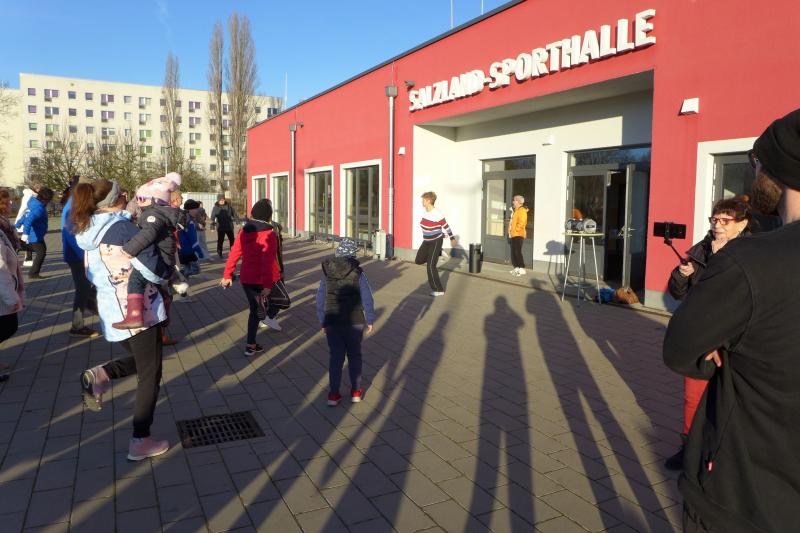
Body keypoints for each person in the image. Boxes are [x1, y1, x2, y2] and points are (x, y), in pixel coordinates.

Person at [663, 107, 800, 532]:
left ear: (777, 173)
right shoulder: (720, 252)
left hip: (746, 491)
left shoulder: (752, 260)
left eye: (756, 163)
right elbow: (680, 289)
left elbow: (681, 348)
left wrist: (720, 346)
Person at [71, 178, 169, 461]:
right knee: (150, 374)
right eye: (125, 195)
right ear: (117, 199)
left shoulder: (88, 229)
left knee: (145, 361)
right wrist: (168, 273)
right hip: (138, 310)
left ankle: (101, 374)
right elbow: (152, 268)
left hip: (112, 308)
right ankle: (140, 440)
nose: (128, 199)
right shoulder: (122, 227)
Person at [662, 196, 751, 471]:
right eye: (715, 219)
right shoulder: (702, 249)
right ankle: (689, 448)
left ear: (742, 224)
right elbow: (678, 293)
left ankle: (723, 455)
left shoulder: (751, 253)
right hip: (702, 336)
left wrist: (720, 260)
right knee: (693, 397)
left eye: (726, 221)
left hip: (734, 340)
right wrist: (682, 274)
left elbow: (741, 300)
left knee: (730, 400)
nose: (718, 225)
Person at [113, 173, 185, 329]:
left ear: (154, 200)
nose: (138, 202)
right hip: (165, 259)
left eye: (141, 199)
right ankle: (164, 308)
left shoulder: (152, 215)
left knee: (136, 281)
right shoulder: (160, 212)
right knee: (156, 286)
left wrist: (129, 250)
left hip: (159, 259)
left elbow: (148, 234)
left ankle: (134, 316)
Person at [316, 238, 375, 406]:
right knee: (355, 355)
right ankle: (356, 391)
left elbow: (320, 300)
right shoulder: (359, 273)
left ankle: (333, 394)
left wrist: (323, 321)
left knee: (336, 357)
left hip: (333, 321)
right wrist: (370, 319)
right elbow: (367, 298)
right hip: (355, 322)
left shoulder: (327, 273)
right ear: (353, 255)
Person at [219, 199, 280, 356]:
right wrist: (267, 285)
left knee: (254, 310)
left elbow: (234, 254)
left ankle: (251, 343)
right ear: (269, 216)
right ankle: (253, 340)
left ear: (252, 214)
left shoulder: (244, 232)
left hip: (247, 278)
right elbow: (267, 262)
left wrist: (227, 275)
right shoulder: (270, 234)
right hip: (261, 280)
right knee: (259, 309)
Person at [62, 175, 100, 338]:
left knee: (85, 287)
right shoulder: (73, 207)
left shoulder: (74, 204)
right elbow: (72, 236)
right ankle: (77, 326)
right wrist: (86, 258)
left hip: (78, 255)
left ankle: (91, 304)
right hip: (78, 256)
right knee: (83, 289)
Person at [0, 188, 24, 380]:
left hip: (7, 282)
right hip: (3, 286)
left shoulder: (4, 225)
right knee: (8, 326)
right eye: (6, 201)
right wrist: (11, 297)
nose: (10, 204)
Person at [415, 191, 456, 296]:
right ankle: (439, 252)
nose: (422, 201)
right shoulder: (425, 212)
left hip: (436, 241)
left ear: (429, 201)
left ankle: (439, 290)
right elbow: (429, 226)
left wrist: (452, 238)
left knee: (430, 266)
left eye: (423, 200)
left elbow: (446, 226)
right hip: (426, 241)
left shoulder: (437, 214)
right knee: (418, 260)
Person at [259, 198, 287, 331]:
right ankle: (269, 317)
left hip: (274, 264)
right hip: (270, 266)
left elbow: (279, 249)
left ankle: (266, 317)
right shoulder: (264, 228)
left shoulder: (276, 226)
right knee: (278, 294)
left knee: (269, 294)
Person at [15, 187, 54, 279]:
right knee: (41, 253)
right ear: (45, 199)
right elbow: (28, 220)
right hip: (34, 235)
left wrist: (18, 224)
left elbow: (26, 215)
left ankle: (19, 245)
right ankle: (33, 273)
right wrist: (25, 234)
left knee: (41, 250)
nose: (48, 203)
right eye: (49, 200)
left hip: (37, 234)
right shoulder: (39, 208)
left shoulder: (34, 203)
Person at [15, 181, 41, 266]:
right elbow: (27, 209)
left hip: (26, 219)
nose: (40, 190)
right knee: (27, 240)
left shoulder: (31, 195)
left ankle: (27, 258)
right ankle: (26, 256)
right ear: (36, 188)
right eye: (39, 188)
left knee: (27, 240)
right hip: (26, 219)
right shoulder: (30, 196)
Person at [178, 199, 205, 277]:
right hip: (188, 250)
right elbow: (193, 239)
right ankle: (180, 275)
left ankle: (182, 277)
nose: (197, 211)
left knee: (186, 268)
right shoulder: (189, 221)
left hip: (181, 250)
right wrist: (199, 252)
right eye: (196, 209)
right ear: (190, 210)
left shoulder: (183, 218)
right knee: (196, 270)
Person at [508, 195, 529, 276]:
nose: (513, 202)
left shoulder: (522, 210)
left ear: (518, 202)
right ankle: (516, 268)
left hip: (518, 234)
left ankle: (522, 268)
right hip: (514, 234)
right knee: (514, 252)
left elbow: (522, 222)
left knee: (517, 251)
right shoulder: (516, 210)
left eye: (514, 200)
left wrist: (515, 230)